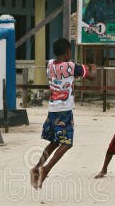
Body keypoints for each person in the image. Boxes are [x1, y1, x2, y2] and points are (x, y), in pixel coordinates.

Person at [30, 38, 96, 189]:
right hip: (65, 111)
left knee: (54, 142)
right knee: (67, 143)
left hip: (53, 109)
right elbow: (91, 76)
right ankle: (45, 170)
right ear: (68, 52)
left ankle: (36, 167)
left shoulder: (50, 64)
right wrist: (93, 68)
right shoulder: (71, 66)